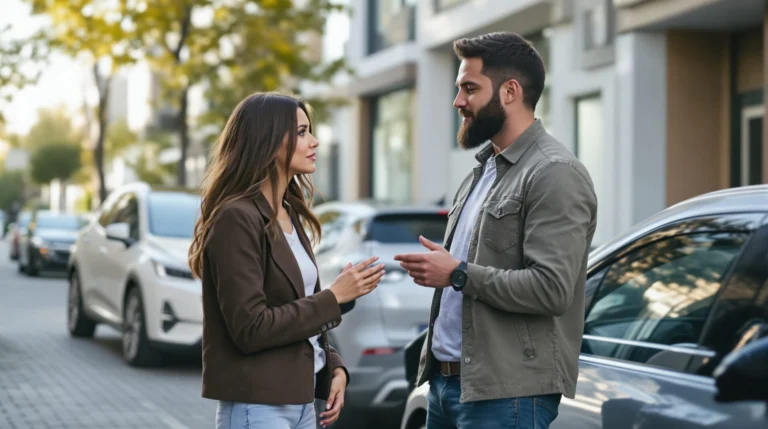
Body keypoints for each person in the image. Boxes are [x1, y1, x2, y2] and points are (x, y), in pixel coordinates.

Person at [394, 32, 598, 428]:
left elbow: (551, 288)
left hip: (507, 397)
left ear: (509, 92)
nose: (458, 101)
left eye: (470, 89)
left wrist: (457, 273)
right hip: (447, 386)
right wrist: (449, 269)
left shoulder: (554, 172)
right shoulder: (484, 169)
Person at [188, 92, 386, 429]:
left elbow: (297, 309)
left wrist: (334, 367)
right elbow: (251, 328)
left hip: (301, 403)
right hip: (257, 405)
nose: (315, 141)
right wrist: (334, 297)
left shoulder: (288, 214)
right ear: (267, 141)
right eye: (302, 132)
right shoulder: (237, 218)